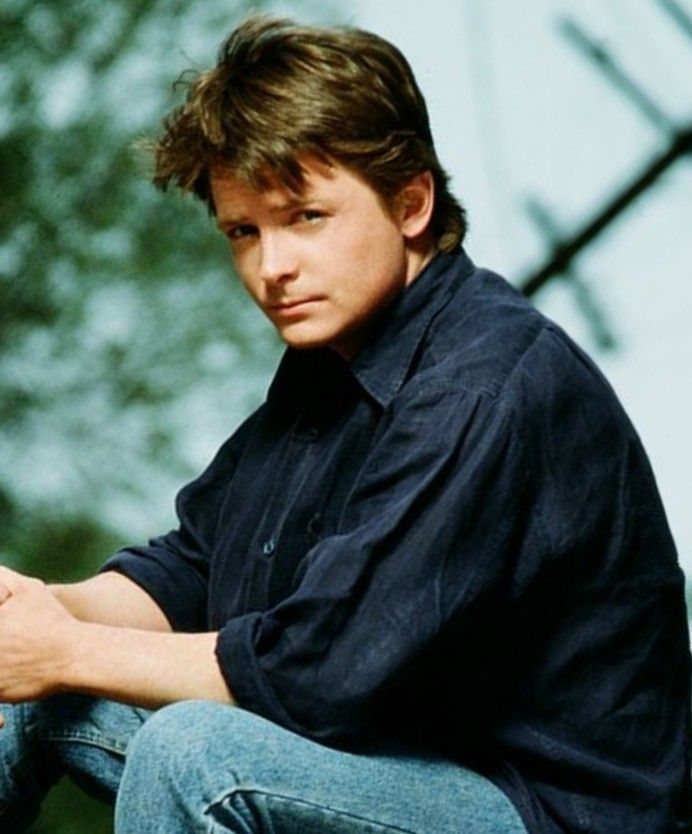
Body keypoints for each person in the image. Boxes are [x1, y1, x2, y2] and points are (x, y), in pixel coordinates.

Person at [0, 15, 690, 834]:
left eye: (306, 218)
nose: (272, 267)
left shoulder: (485, 385)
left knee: (193, 754)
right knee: (28, 702)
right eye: (243, 232)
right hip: (393, 761)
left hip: (548, 809)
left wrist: (66, 651)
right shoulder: (329, 370)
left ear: (411, 202)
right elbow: (190, 569)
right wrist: (38, 611)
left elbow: (318, 673)